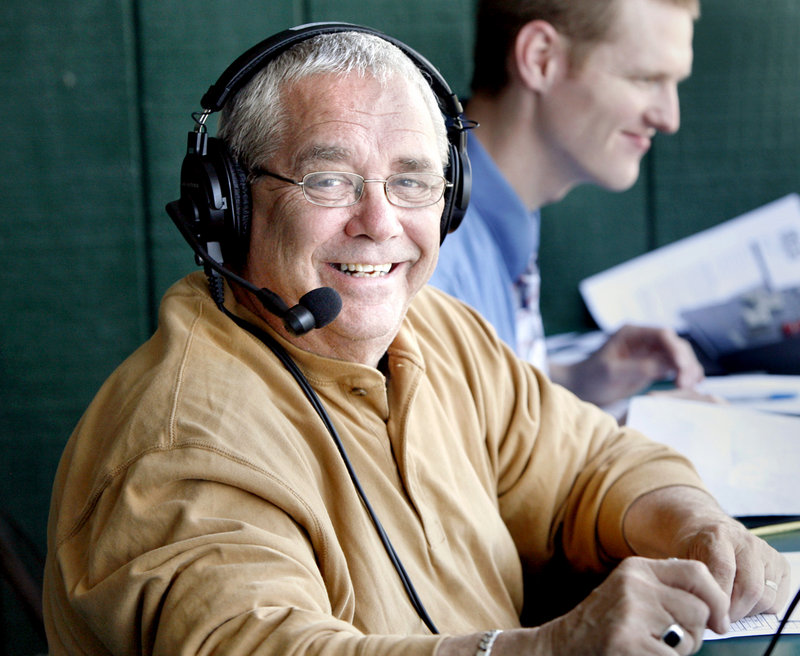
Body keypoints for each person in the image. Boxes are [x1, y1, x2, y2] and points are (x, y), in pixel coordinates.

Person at [43, 25, 789, 656]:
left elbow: (588, 463)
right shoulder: (182, 446)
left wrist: (695, 523)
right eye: (329, 179)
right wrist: (549, 648)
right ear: (229, 207)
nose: (380, 221)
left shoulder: (434, 328)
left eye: (412, 181)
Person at [430, 0, 708, 409]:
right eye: (646, 78)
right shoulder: (429, 258)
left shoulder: (492, 213)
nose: (669, 118)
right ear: (541, 59)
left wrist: (572, 381)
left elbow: (480, 396)